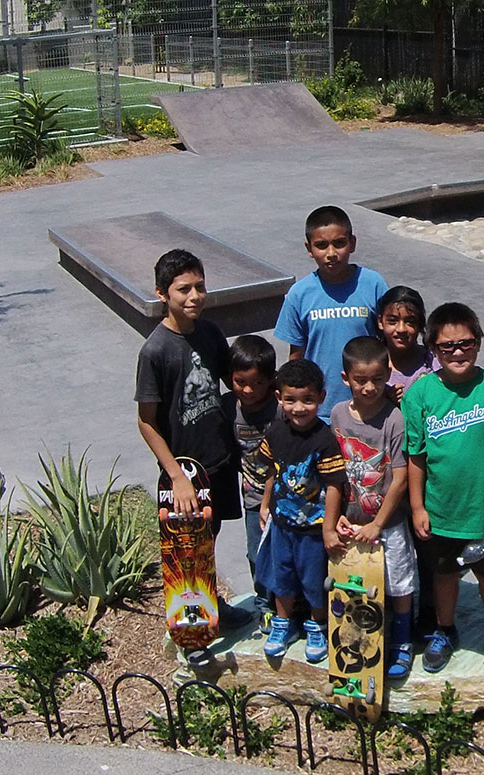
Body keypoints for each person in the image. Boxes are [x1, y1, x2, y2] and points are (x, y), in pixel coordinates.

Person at [402, 301, 484, 680]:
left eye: (467, 343)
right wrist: (417, 507)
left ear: (478, 343)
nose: (458, 352)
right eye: (447, 346)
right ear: (432, 348)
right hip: (441, 508)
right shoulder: (421, 394)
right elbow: (416, 455)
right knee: (444, 575)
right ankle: (445, 630)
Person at [135, 249, 249, 637]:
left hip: (217, 460)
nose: (194, 296)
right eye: (183, 289)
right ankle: (191, 631)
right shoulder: (155, 351)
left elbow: (234, 381)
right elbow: (146, 422)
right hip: (185, 474)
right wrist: (176, 476)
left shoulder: (209, 332)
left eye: (200, 286)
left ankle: (211, 605)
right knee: (186, 551)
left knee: (209, 538)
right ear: (162, 293)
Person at [328, 335, 418, 679]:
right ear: (345, 378)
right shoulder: (337, 414)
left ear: (388, 375)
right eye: (360, 380)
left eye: (378, 380)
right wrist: (333, 519)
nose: (369, 388)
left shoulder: (394, 419)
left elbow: (399, 478)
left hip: (387, 523)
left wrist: (378, 524)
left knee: (398, 582)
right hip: (350, 522)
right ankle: (358, 636)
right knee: (353, 581)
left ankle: (403, 640)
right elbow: (334, 473)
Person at [253, 359, 347, 664]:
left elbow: (334, 485)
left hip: (312, 529)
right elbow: (272, 471)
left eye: (307, 400)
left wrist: (328, 528)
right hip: (282, 525)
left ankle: (317, 624)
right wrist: (266, 504)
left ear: (321, 397)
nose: (298, 408)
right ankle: (283, 624)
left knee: (313, 580)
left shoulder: (324, 439)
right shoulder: (277, 432)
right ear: (279, 397)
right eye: (290, 400)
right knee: (282, 577)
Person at [275, 205, 387, 412]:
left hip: (369, 404)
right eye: (321, 245)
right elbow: (296, 355)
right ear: (309, 249)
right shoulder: (299, 294)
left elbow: (387, 340)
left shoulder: (373, 284)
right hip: (320, 409)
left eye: (339, 243)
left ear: (352, 243)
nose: (331, 253)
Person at [227, 333, 279, 626]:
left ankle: (290, 604)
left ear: (271, 380)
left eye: (258, 383)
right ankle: (263, 606)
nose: (248, 390)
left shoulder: (281, 409)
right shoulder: (229, 409)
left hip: (285, 494)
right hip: (253, 496)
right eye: (240, 382)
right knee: (256, 552)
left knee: (286, 552)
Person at [377, 285, 436, 401]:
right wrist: (385, 401)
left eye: (409, 322)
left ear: (420, 324)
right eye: (393, 321)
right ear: (380, 322)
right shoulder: (371, 365)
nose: (401, 329)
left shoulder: (433, 363)